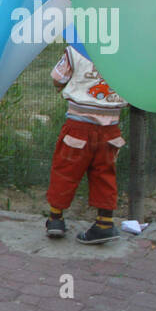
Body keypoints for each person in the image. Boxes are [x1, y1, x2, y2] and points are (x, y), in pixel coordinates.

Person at [45, 45, 126, 244]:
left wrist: (61, 87)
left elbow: (58, 77)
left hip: (78, 127)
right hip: (111, 128)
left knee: (65, 171)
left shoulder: (77, 49)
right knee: (105, 174)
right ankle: (104, 223)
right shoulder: (127, 51)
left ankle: (56, 219)